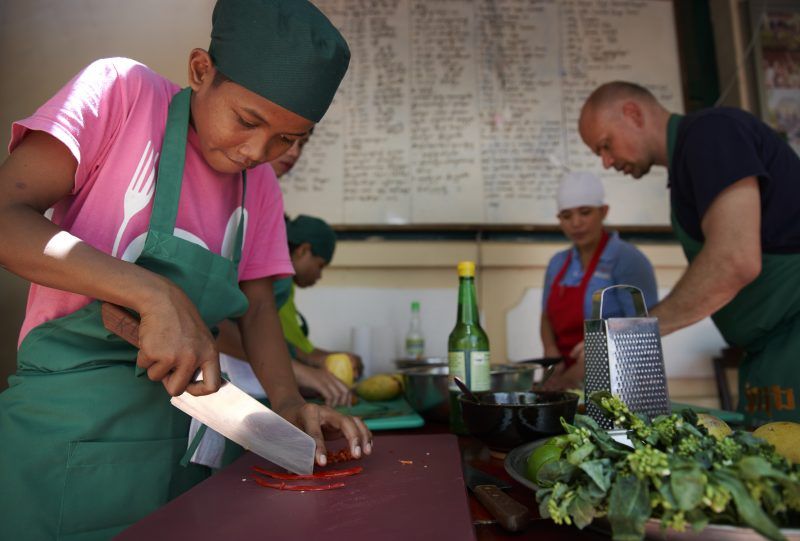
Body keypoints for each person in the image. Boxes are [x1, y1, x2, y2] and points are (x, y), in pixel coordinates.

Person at [0, 1, 371, 538]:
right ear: (201, 70)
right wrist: (156, 295)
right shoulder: (122, 93)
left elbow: (259, 306)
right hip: (65, 436)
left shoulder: (259, 184)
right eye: (248, 120)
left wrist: (290, 405)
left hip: (186, 442)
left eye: (289, 139)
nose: (257, 151)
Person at [578, 80, 800, 425]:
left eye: (606, 145)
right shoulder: (687, 162)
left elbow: (734, 260)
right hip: (765, 353)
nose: (606, 162)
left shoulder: (711, 132)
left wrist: (627, 335)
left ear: (633, 113)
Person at [540, 171, 658, 390]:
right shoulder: (557, 263)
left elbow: (644, 329)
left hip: (619, 379)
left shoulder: (629, 260)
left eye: (585, 213)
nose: (576, 223)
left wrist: (571, 379)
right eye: (566, 216)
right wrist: (552, 355)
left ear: (603, 212)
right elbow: (546, 317)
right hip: (564, 372)